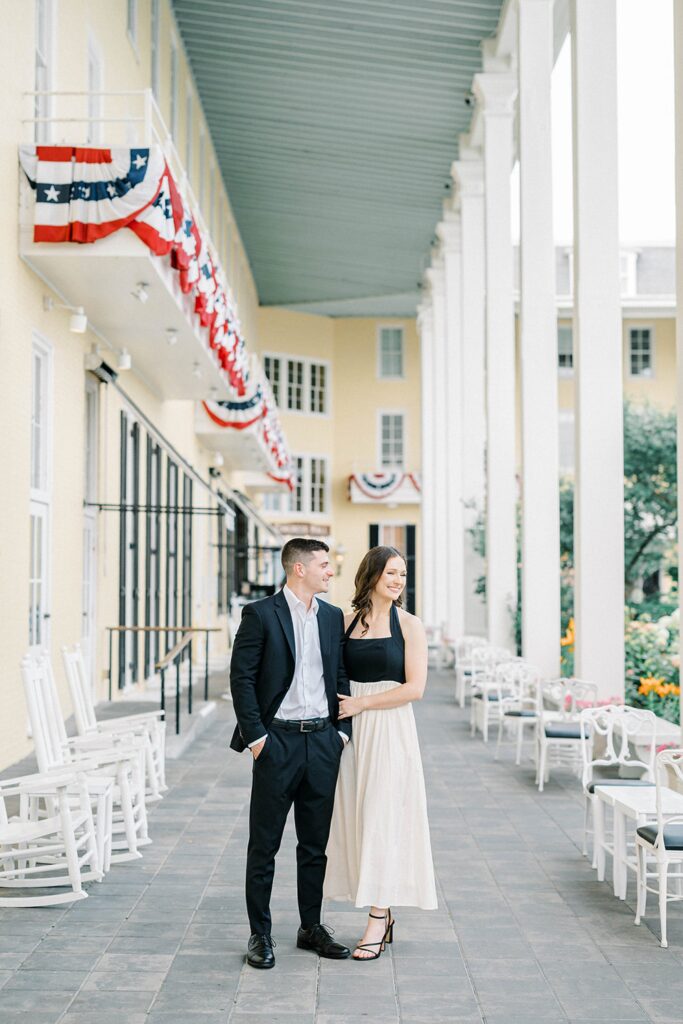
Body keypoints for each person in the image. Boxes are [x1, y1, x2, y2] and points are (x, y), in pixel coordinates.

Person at [229, 537, 352, 969]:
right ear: (299, 569)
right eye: (324, 564)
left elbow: (340, 675)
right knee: (264, 844)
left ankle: (310, 927)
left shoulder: (333, 617)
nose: (330, 570)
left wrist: (341, 733)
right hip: (276, 743)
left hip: (322, 743)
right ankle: (259, 935)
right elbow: (241, 679)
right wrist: (258, 738)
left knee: (314, 845)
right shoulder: (261, 614)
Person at [324, 545, 437, 960]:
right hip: (352, 732)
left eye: (403, 575)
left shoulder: (410, 625)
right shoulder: (346, 621)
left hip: (389, 728)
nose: (397, 580)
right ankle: (378, 909)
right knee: (356, 817)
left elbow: (415, 688)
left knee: (382, 819)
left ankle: (377, 915)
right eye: (391, 572)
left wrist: (362, 704)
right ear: (371, 574)